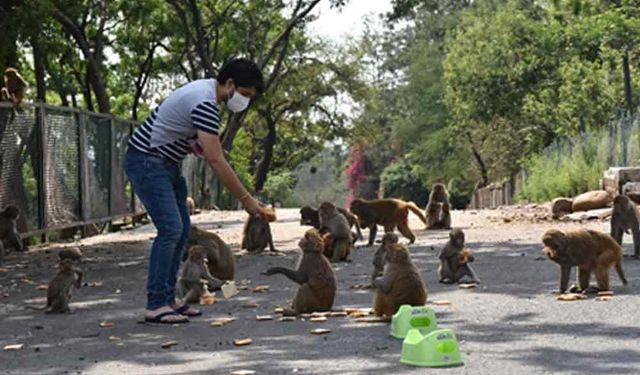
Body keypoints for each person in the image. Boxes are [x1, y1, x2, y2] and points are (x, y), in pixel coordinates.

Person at [124, 58, 270, 324]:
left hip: (166, 163)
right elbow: (216, 160)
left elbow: (201, 144)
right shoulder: (204, 103)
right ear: (229, 84)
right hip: (147, 160)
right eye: (245, 94)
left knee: (182, 232)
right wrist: (247, 201)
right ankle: (155, 303)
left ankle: (168, 299)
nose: (244, 101)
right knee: (170, 229)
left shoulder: (204, 94)